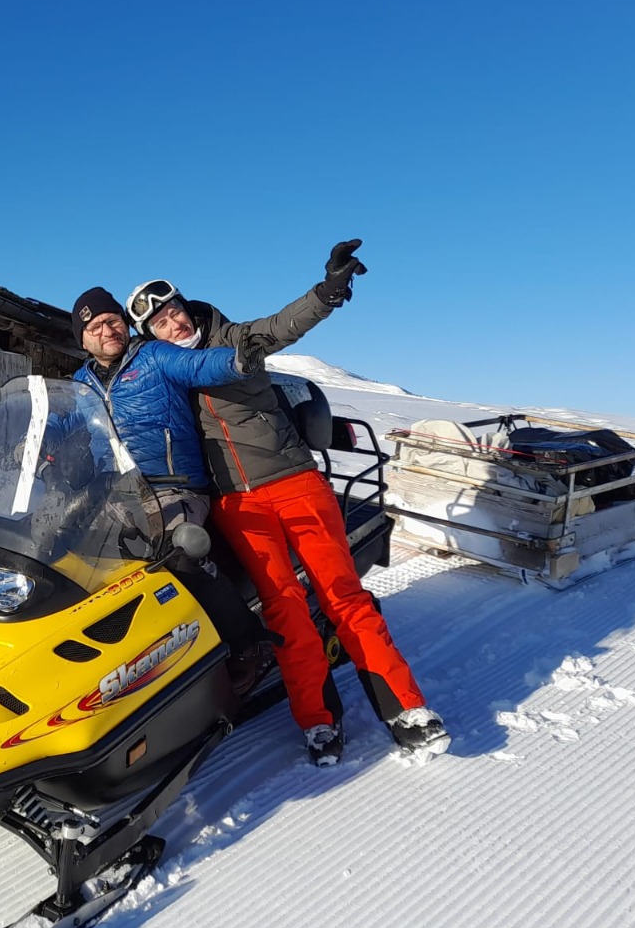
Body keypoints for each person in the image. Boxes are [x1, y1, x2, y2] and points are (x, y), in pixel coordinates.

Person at [124, 242, 450, 764]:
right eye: (159, 323)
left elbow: (282, 325)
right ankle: (319, 722)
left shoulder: (235, 340)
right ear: (152, 337)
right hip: (236, 505)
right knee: (285, 611)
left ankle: (407, 709)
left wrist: (328, 291)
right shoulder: (164, 371)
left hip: (294, 482)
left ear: (188, 308)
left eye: (175, 312)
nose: (173, 324)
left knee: (342, 596)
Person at [69, 287, 270, 701]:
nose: (107, 329)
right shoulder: (80, 382)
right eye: (95, 326)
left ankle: (247, 643)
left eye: (112, 321)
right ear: (83, 338)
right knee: (72, 555)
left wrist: (236, 359)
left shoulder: (154, 357)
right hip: (118, 493)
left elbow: (198, 365)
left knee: (178, 557)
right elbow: (62, 425)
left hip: (174, 487)